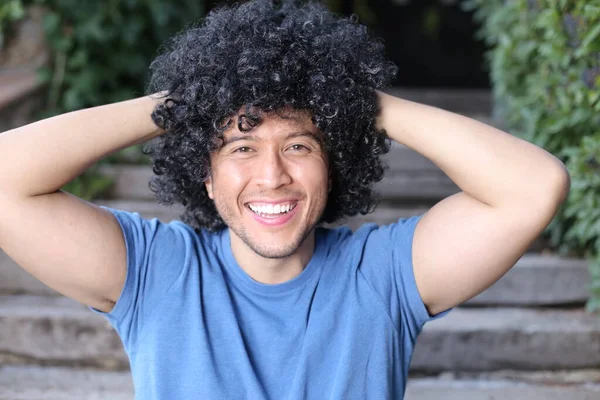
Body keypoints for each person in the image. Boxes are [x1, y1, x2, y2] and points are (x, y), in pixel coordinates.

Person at [0, 0, 569, 399]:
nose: (272, 175)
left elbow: (534, 186)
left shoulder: (381, 276)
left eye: (298, 144)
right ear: (206, 173)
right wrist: (181, 104)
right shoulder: (157, 273)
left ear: (333, 161)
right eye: (242, 147)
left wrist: (359, 100)